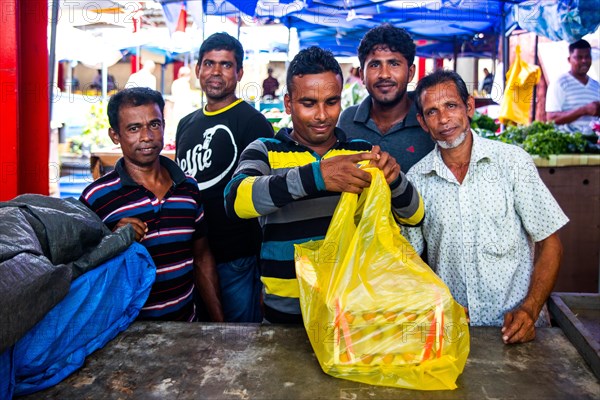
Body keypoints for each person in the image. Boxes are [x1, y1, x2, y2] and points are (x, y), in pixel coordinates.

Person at [224, 46, 425, 324]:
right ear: (287, 103)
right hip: (285, 313)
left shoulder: (360, 152)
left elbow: (414, 215)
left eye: (331, 102)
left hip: (351, 311)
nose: (321, 115)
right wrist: (317, 176)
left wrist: (394, 179)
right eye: (308, 103)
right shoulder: (266, 150)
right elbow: (234, 200)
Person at [401, 69, 569, 344]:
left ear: (468, 107)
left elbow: (551, 243)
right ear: (422, 122)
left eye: (451, 106)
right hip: (453, 332)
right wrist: (435, 305)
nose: (444, 119)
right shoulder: (417, 180)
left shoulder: (513, 163)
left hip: (519, 332)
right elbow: (410, 261)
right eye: (432, 112)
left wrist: (530, 309)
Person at [79, 87, 224, 322]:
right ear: (115, 135)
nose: (146, 136)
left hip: (186, 330)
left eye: (154, 125)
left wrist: (220, 326)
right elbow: (81, 272)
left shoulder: (188, 188)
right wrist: (113, 242)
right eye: (134, 128)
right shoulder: (96, 197)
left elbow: (202, 257)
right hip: (124, 338)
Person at [175, 32, 274, 323]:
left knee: (237, 342)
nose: (216, 72)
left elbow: (264, 195)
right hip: (191, 255)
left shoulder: (254, 122)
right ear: (198, 70)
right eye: (209, 63)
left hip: (237, 257)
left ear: (239, 72)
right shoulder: (186, 124)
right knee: (197, 339)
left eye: (226, 65)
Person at [338, 24, 434, 173]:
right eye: (375, 65)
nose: (384, 74)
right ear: (362, 75)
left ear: (410, 72)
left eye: (394, 64)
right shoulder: (347, 120)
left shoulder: (430, 120)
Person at [546, 39, 600, 134]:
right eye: (579, 57)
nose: (584, 61)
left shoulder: (596, 86)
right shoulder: (560, 83)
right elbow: (551, 118)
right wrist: (584, 110)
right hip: (568, 144)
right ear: (569, 59)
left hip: (593, 145)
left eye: (587, 57)